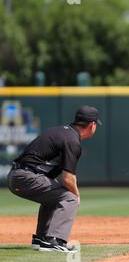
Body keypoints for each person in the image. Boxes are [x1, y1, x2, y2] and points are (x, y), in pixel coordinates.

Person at [7, 105, 101, 252]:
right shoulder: (72, 141)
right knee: (69, 198)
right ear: (92, 125)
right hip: (25, 176)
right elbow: (68, 178)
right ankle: (54, 240)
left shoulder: (63, 132)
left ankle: (42, 238)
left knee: (54, 196)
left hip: (19, 175)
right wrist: (76, 195)